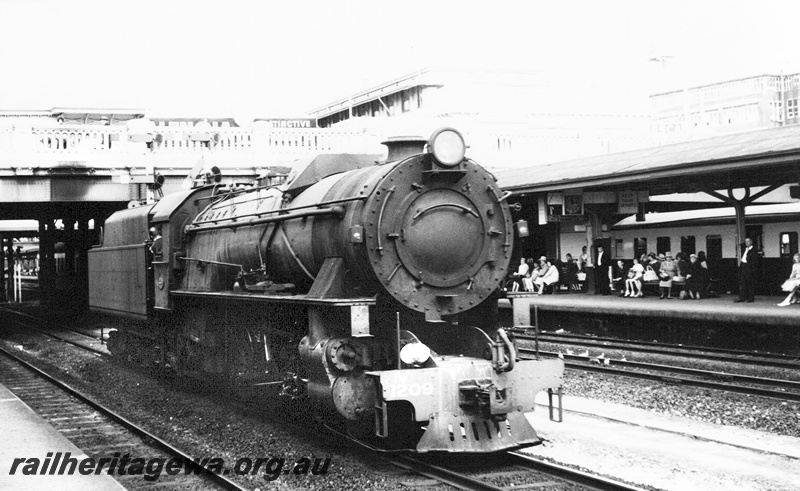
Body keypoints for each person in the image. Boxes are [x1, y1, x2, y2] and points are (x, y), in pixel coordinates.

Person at [735, 238, 758, 303]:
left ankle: (750, 298)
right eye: (746, 241)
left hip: (749, 267)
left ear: (751, 242)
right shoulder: (745, 249)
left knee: (749, 283)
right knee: (743, 283)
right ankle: (742, 297)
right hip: (743, 266)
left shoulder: (753, 250)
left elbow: (754, 261)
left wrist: (752, 269)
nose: (746, 243)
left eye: (748, 241)